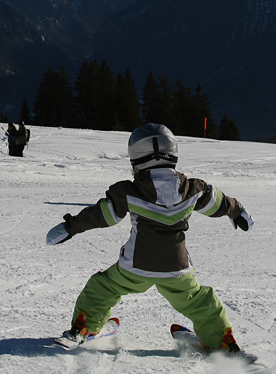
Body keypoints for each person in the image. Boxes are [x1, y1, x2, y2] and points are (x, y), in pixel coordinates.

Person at [46, 123, 253, 354]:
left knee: (103, 287)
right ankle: (221, 341)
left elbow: (102, 216)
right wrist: (238, 212)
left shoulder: (129, 191)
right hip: (177, 268)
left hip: (135, 267)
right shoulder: (193, 189)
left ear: (136, 158)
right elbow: (220, 203)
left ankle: (83, 327)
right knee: (198, 300)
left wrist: (70, 227)